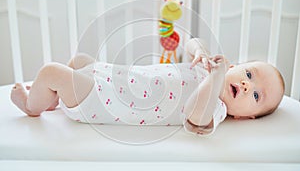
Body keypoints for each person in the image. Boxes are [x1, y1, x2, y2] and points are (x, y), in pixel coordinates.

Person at [10, 38, 285, 135]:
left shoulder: (217, 107)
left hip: (103, 102)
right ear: (235, 65)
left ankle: (32, 106)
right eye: (249, 74)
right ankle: (51, 100)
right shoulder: (208, 68)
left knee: (51, 72)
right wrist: (201, 50)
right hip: (111, 77)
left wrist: (215, 79)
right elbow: (192, 41)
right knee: (79, 60)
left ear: (245, 117)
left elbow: (194, 117)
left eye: (257, 95)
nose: (247, 86)